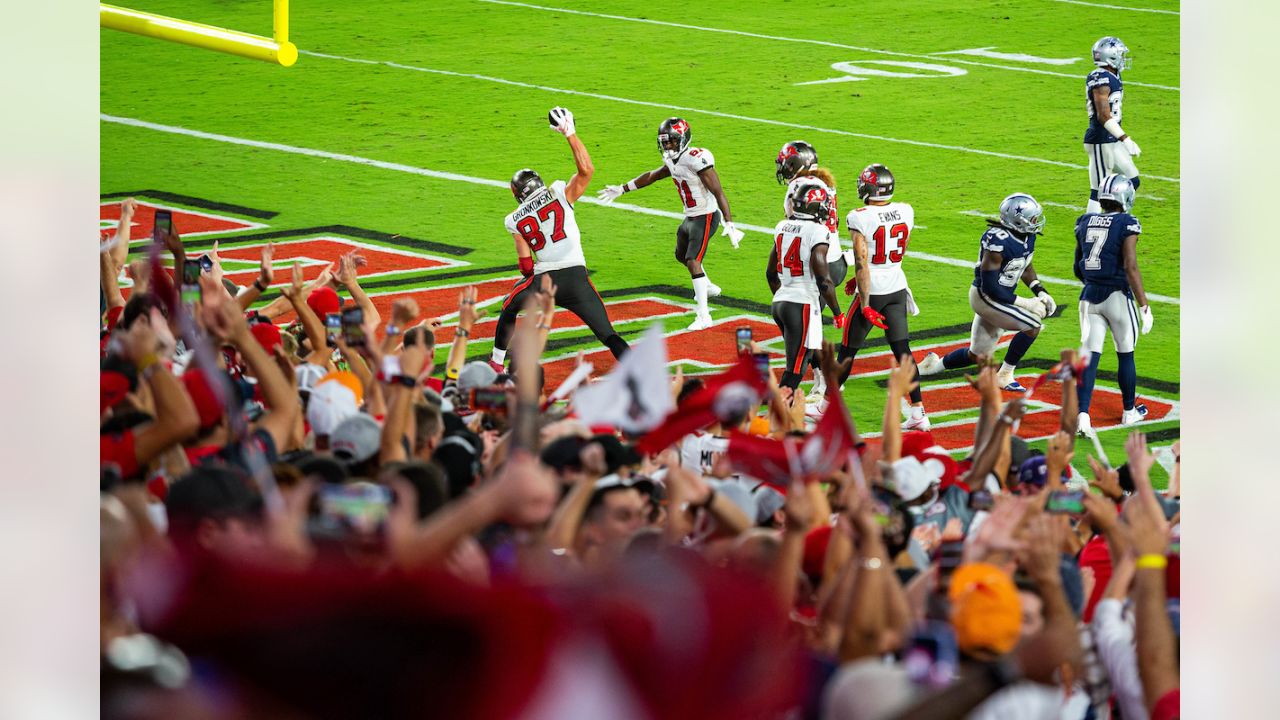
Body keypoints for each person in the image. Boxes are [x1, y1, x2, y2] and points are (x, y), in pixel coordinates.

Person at [489, 107, 629, 370]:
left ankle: (497, 363)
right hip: (577, 278)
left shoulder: (514, 219)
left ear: (517, 194)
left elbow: (526, 267)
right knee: (608, 335)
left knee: (509, 307)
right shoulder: (558, 193)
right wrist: (570, 134)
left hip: (545, 280)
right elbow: (587, 170)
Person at [596, 117, 745, 329]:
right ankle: (707, 285)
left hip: (707, 216)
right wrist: (622, 188)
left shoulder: (697, 159)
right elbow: (653, 175)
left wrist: (729, 223)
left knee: (693, 261)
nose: (667, 146)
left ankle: (704, 316)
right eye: (664, 142)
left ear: (683, 139)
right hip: (691, 216)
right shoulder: (674, 160)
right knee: (680, 255)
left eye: (671, 141)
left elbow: (718, 191)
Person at [918, 194, 1055, 391]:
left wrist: (1040, 291)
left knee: (977, 355)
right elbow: (991, 288)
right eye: (1032, 219)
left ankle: (932, 367)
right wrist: (1027, 303)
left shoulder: (1027, 237)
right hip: (986, 297)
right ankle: (1005, 374)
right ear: (1017, 220)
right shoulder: (998, 240)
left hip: (1002, 297)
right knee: (1032, 326)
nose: (1036, 223)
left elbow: (1024, 266)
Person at [838, 163, 928, 429]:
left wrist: (864, 303)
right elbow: (899, 250)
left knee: (847, 350)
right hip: (897, 286)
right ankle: (919, 412)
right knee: (903, 350)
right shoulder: (905, 210)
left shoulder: (859, 216)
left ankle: (825, 405)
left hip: (874, 291)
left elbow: (862, 261)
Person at [1073, 174, 1154, 437]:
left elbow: (1078, 267)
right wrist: (1144, 305)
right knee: (1125, 353)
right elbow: (1130, 265)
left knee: (1090, 356)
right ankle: (1129, 411)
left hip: (1089, 296)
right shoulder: (1127, 222)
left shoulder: (1084, 221)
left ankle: (1082, 416)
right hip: (1117, 296)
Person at [774, 140, 848, 402]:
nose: (783, 168)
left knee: (803, 330)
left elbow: (795, 224)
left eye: (786, 162)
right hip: (831, 257)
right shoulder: (823, 183)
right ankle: (821, 375)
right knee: (806, 328)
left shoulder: (801, 187)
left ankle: (822, 380)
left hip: (819, 264)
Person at [766, 180, 841, 392]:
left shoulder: (782, 226)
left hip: (780, 301)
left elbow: (770, 273)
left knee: (806, 354)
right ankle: (776, 416)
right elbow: (824, 280)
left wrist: (783, 295)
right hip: (802, 302)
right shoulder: (817, 231)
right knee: (796, 368)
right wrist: (837, 312)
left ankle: (824, 386)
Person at [1084, 36, 1142, 214]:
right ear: (1111, 56)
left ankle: (1114, 216)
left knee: (1133, 180)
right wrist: (1125, 138)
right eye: (1120, 54)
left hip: (1112, 139)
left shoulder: (1112, 74)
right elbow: (1103, 115)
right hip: (1101, 140)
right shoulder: (1100, 77)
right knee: (1098, 190)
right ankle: (1088, 229)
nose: (1124, 57)